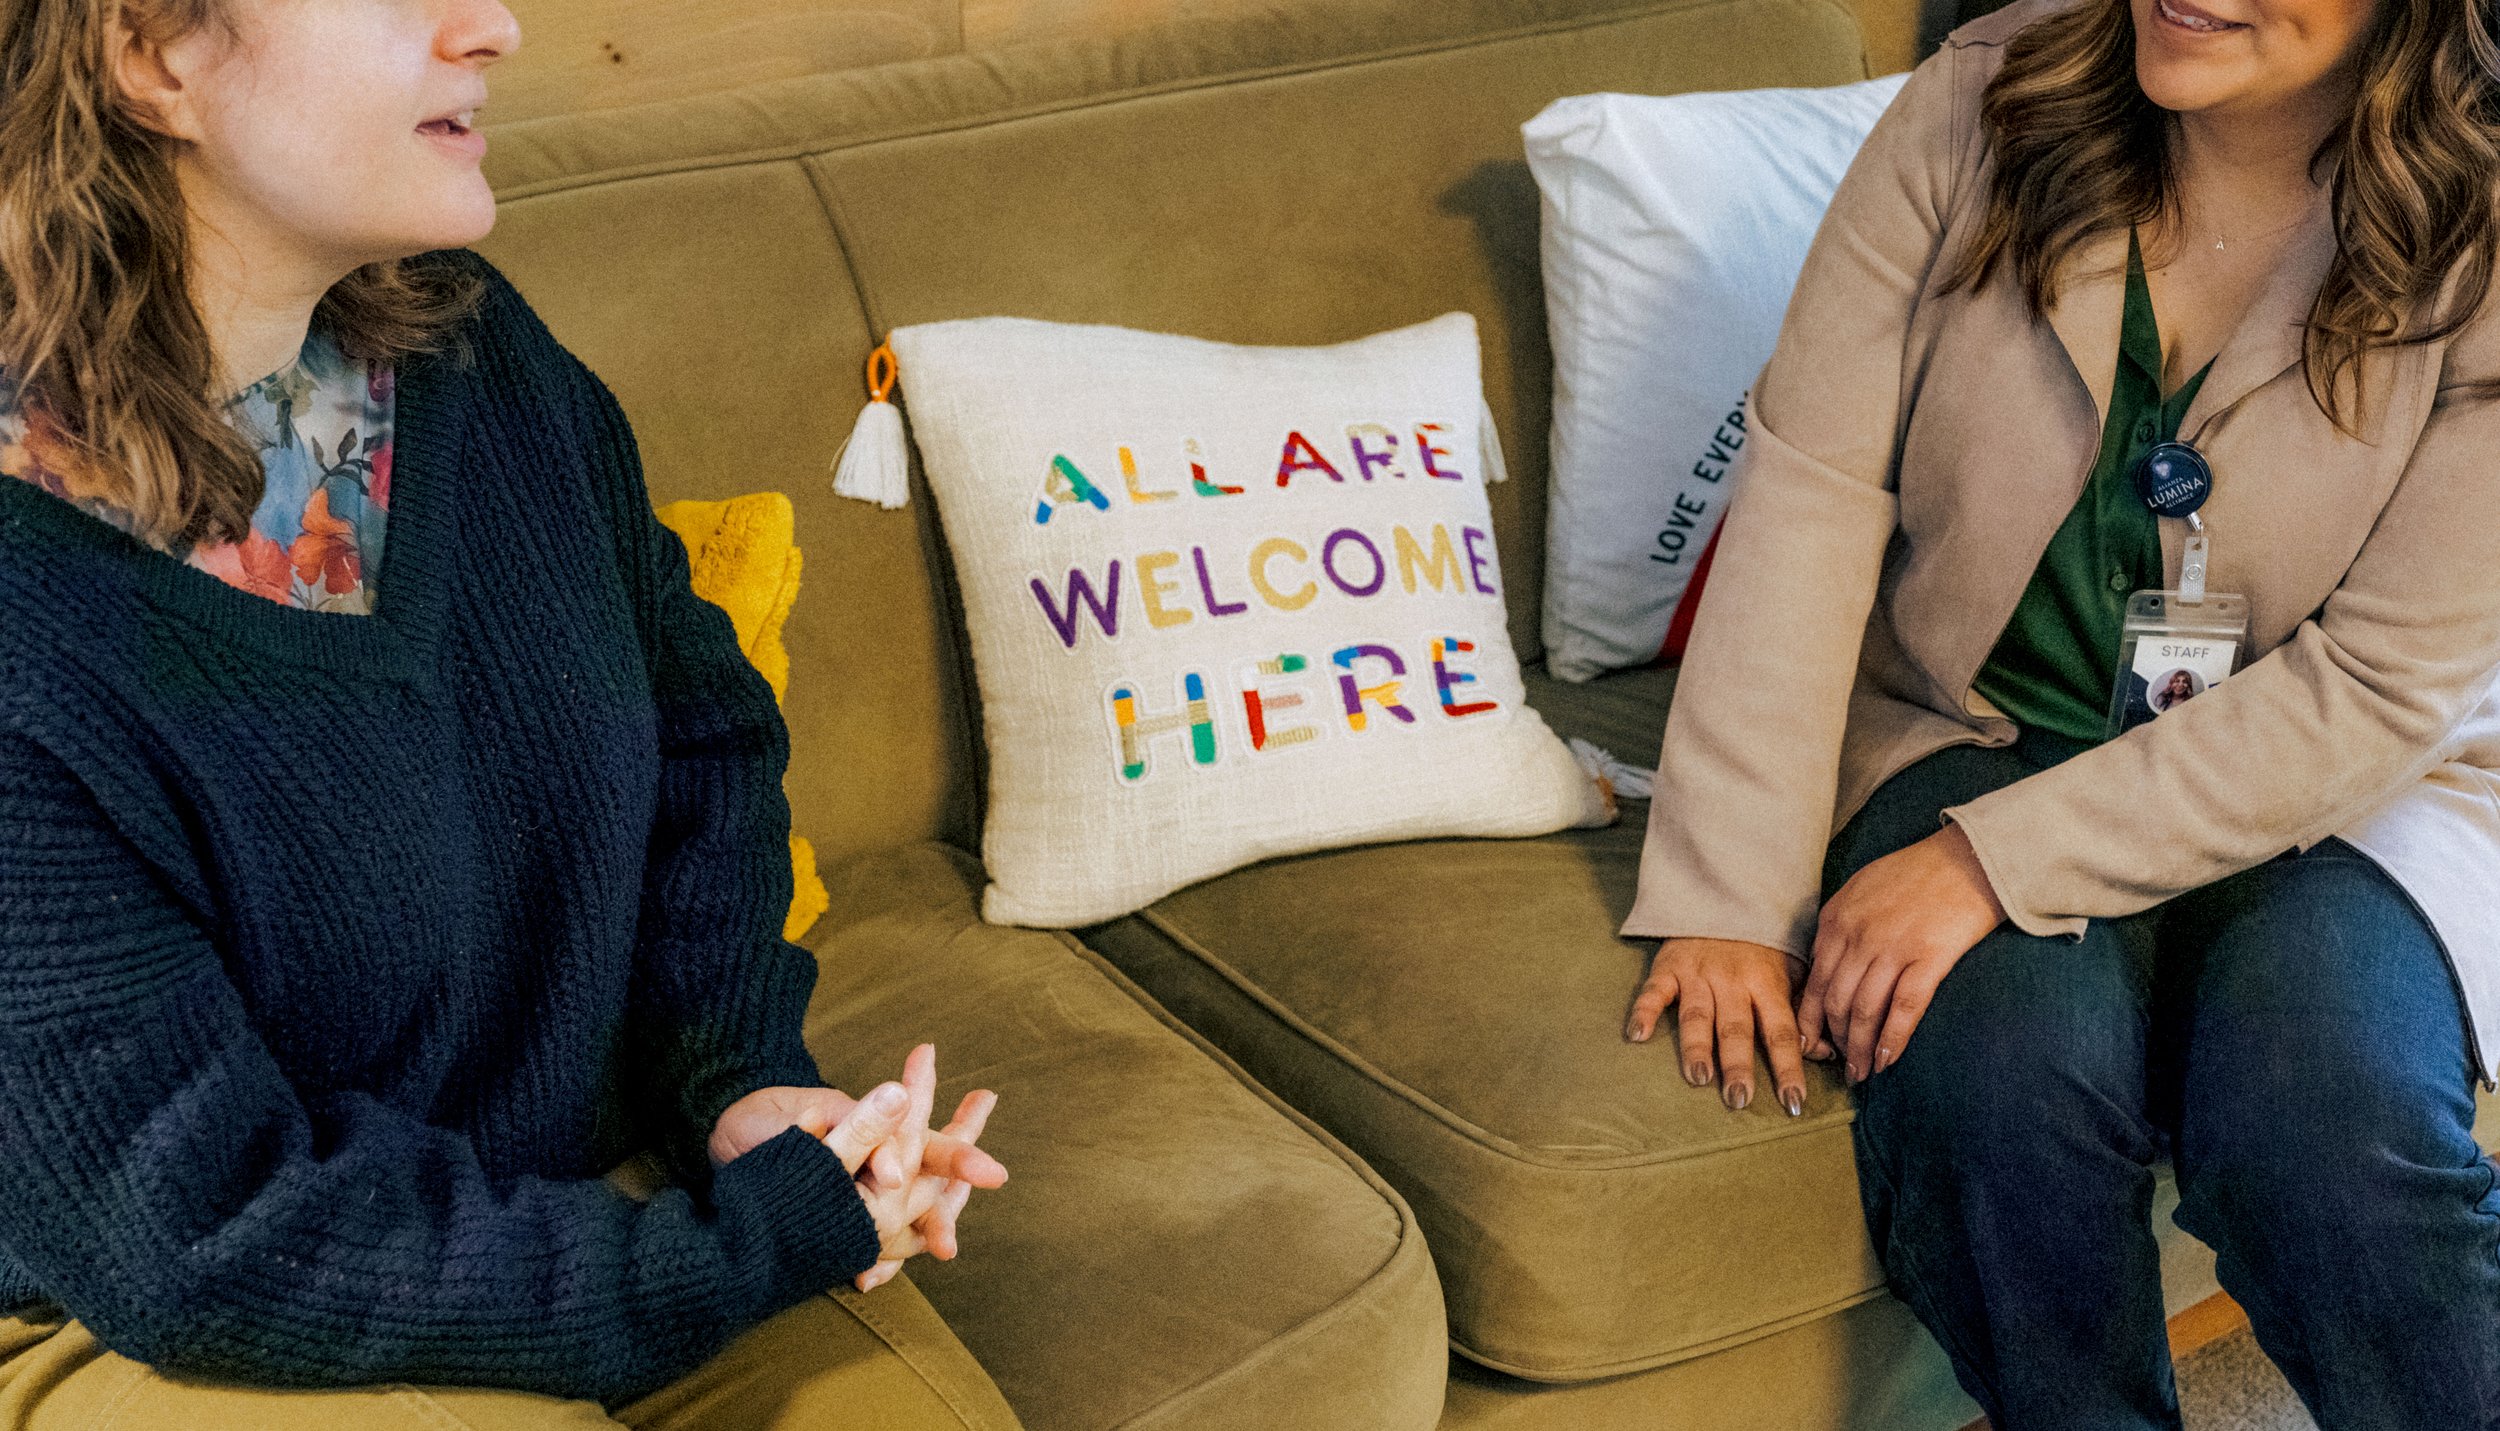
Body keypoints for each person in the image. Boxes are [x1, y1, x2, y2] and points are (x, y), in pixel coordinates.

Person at [0, 0, 1010, 1425]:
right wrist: (730, 1253)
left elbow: (701, 749)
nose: (496, 26)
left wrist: (735, 1082)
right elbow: (201, 1236)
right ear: (152, 54)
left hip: (592, 1201)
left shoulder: (473, 349)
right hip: (183, 1298)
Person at [1618, 0, 2500, 1424]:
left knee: (2333, 1130)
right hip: (1971, 730)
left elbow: (2376, 687)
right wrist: (1728, 893)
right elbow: (1813, 494)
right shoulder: (1984, 102)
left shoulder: (2486, 227)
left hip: (2340, 792)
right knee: (1999, 1094)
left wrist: (1988, 867)